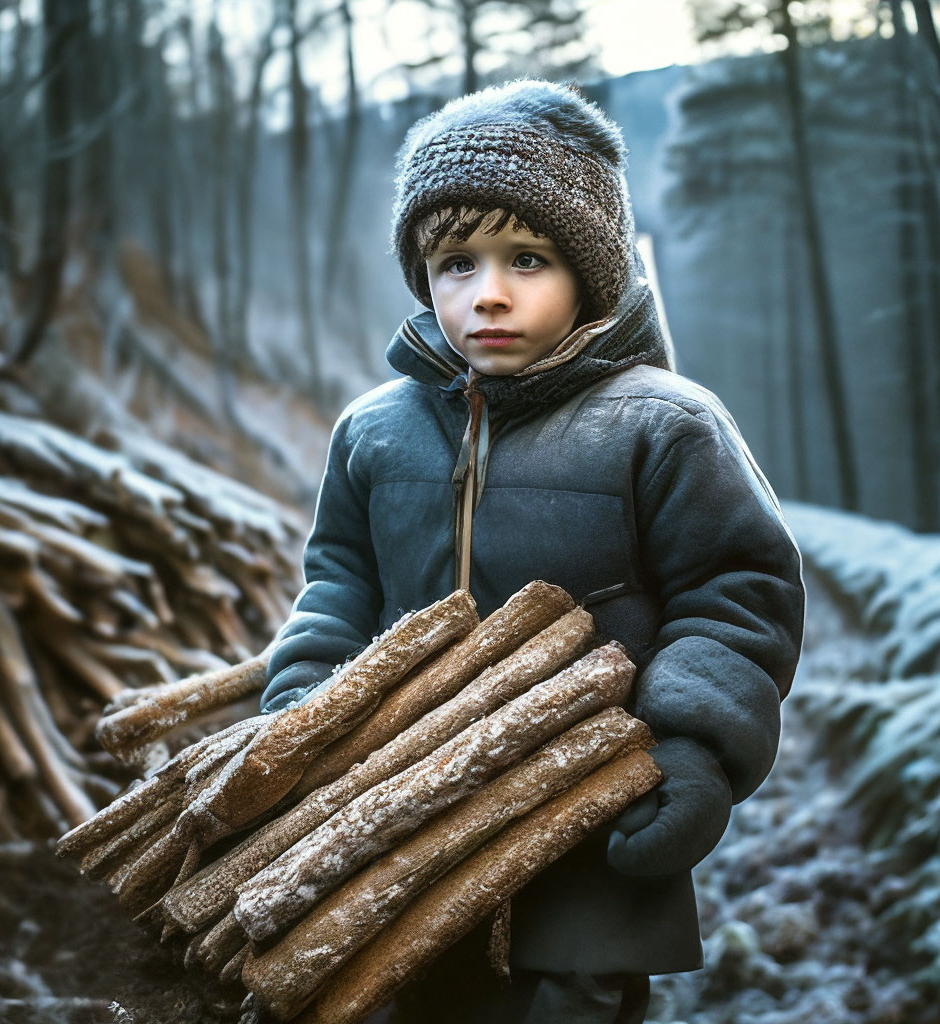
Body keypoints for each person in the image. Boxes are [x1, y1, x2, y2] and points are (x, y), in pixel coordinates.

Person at [258, 80, 805, 1024]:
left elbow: (736, 591)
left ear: (588, 270)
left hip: (591, 813)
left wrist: (693, 749)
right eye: (456, 262)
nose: (491, 293)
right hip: (405, 810)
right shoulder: (373, 432)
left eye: (528, 258)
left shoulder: (663, 425)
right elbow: (341, 582)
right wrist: (303, 710)